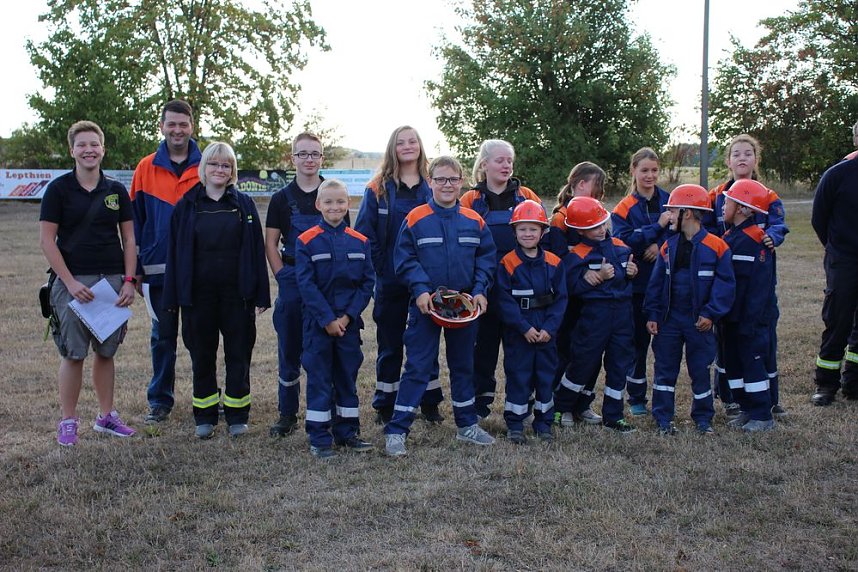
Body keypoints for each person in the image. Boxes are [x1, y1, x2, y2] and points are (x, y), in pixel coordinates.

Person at [384, 156, 497, 456]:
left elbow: (486, 261)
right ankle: (397, 430)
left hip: (464, 308)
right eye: (441, 179)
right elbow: (405, 259)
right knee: (418, 366)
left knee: (463, 366)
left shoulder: (475, 220)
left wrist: (480, 291)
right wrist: (420, 290)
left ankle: (466, 425)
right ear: (430, 181)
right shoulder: (416, 218)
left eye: (453, 179)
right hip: (426, 306)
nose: (447, 185)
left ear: (462, 182)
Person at [162, 142, 270, 438]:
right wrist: (173, 297)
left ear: (232, 171)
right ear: (203, 168)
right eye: (214, 164)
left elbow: (256, 251)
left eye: (225, 165)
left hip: (237, 296)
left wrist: (261, 293)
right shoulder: (186, 205)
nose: (219, 170)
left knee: (238, 355)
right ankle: (205, 416)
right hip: (199, 297)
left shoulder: (244, 205)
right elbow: (175, 253)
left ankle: (237, 414)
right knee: (202, 356)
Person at [39, 120, 137, 446]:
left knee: (106, 353)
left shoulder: (116, 191)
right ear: (72, 150)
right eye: (82, 145)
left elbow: (129, 239)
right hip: (73, 283)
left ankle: (106, 417)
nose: (88, 150)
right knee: (73, 354)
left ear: (103, 149)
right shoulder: (58, 190)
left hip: (110, 283)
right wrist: (68, 282)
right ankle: (68, 420)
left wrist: (128, 281)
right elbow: (47, 241)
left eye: (94, 144)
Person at [354, 126, 444, 425]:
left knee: (425, 345)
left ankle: (430, 403)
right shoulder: (377, 188)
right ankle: (385, 403)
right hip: (391, 280)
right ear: (393, 148)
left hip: (426, 281)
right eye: (401, 142)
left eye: (413, 141)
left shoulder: (432, 186)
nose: (407, 146)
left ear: (420, 146)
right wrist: (383, 268)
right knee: (390, 343)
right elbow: (364, 235)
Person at [705, 135, 788, 419]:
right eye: (736, 154)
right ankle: (731, 399)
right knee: (727, 341)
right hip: (726, 279)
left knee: (759, 340)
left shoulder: (768, 195)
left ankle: (768, 400)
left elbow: (779, 224)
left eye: (748, 153)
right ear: (728, 161)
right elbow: (707, 232)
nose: (742, 158)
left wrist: (772, 238)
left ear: (756, 159)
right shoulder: (717, 195)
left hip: (757, 282)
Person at [131, 99, 202, 424]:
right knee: (162, 339)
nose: (177, 130)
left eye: (182, 124)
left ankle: (206, 396)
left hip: (200, 273)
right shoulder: (145, 167)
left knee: (201, 337)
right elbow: (133, 224)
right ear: (161, 126)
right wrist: (135, 273)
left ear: (192, 126)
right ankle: (160, 401)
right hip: (158, 273)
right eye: (171, 124)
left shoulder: (206, 165)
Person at [460, 140, 542, 418]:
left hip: (521, 285)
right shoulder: (470, 200)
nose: (506, 165)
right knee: (483, 349)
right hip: (484, 285)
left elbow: (543, 238)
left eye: (509, 160)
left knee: (519, 350)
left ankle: (520, 406)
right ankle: (480, 405)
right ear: (484, 165)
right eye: (499, 160)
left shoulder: (527, 196)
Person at [644, 184, 735, 435]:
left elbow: (725, 285)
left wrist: (710, 313)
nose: (669, 217)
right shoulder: (668, 246)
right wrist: (653, 314)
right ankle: (663, 419)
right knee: (664, 370)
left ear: (689, 212)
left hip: (699, 323)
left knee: (700, 372)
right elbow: (656, 283)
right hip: (669, 321)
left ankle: (703, 419)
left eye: (672, 211)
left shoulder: (717, 247)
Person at [265, 132, 340, 436]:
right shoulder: (281, 199)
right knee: (290, 350)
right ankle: (287, 412)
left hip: (326, 285)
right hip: (293, 282)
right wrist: (282, 275)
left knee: (324, 349)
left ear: (322, 158)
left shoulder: (333, 193)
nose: (309, 159)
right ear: (292, 158)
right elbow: (270, 243)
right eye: (303, 154)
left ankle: (327, 409)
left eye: (315, 154)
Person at [295, 179, 375, 458]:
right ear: (318, 205)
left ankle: (348, 432)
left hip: (348, 327)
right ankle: (319, 437)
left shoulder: (360, 242)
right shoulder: (305, 241)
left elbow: (367, 284)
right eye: (328, 202)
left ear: (348, 203)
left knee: (346, 378)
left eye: (340, 201)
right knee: (319, 379)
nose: (335, 207)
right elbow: (306, 286)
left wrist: (348, 317)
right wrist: (328, 319)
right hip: (318, 326)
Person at [554, 197, 639, 433]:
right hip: (594, 317)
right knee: (582, 363)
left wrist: (632, 272)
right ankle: (561, 408)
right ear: (580, 230)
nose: (601, 230)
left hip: (622, 316)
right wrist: (594, 279)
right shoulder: (577, 256)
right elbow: (570, 288)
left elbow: (627, 277)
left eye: (603, 224)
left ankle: (613, 416)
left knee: (619, 365)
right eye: (593, 227)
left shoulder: (622, 248)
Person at [495, 200, 567, 444]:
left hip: (546, 330)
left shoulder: (555, 263)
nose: (528, 234)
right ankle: (515, 423)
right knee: (519, 376)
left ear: (543, 231)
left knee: (546, 376)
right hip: (519, 331)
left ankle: (543, 422)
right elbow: (504, 300)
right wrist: (524, 327)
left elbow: (561, 300)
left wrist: (549, 329)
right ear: (514, 231)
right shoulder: (507, 263)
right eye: (522, 229)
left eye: (533, 229)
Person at [611, 148, 672, 417]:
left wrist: (659, 244)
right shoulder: (623, 207)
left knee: (664, 343)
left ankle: (662, 394)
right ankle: (635, 396)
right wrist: (656, 228)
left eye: (654, 170)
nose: (650, 175)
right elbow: (622, 241)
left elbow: (682, 233)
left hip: (667, 286)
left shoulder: (670, 200)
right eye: (644, 170)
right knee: (636, 343)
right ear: (633, 171)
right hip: (636, 287)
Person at [720, 180, 777, 431]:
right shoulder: (730, 235)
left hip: (749, 320)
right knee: (734, 363)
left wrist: (750, 321)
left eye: (728, 201)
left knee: (752, 363)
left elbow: (759, 287)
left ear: (743, 208)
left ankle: (762, 415)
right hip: (731, 318)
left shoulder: (755, 240)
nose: (722, 206)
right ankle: (745, 408)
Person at [810, 120, 858, 405]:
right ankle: (826, 384)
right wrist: (836, 249)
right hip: (844, 259)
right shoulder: (837, 175)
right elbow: (819, 218)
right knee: (838, 320)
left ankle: (854, 382)